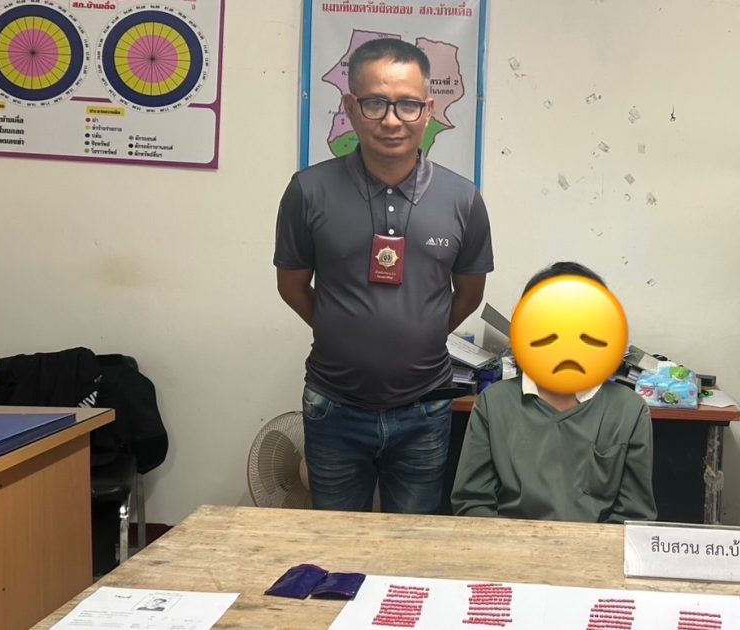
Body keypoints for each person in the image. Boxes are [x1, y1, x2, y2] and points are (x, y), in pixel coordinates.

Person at [274, 38, 493, 514]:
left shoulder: (463, 199)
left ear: (428, 111)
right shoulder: (308, 191)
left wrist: (422, 333)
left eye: (408, 104)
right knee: (334, 544)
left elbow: (469, 293)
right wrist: (338, 327)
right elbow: (291, 285)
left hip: (425, 408)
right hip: (333, 406)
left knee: (410, 545)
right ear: (350, 107)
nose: (392, 120)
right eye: (375, 103)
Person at [451, 262, 656, 523]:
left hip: (595, 546)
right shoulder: (495, 403)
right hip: (511, 543)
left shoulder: (628, 409)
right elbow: (472, 502)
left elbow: (634, 515)